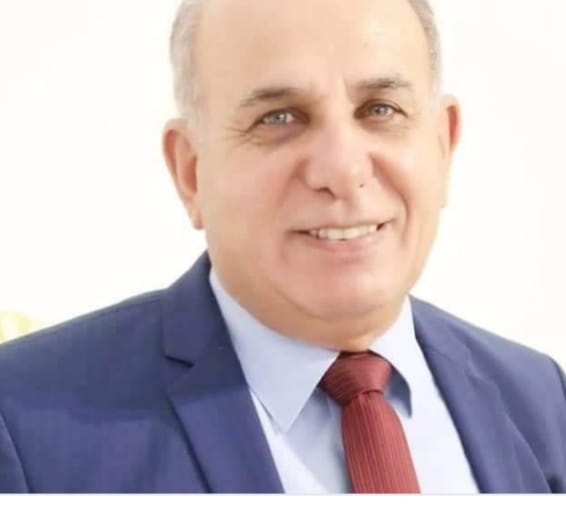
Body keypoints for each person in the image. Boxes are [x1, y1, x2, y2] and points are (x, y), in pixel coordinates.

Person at [0, 0, 564, 494]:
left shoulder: (539, 398)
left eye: (380, 109)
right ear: (191, 172)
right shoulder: (25, 423)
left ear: (443, 145)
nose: (342, 169)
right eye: (279, 117)